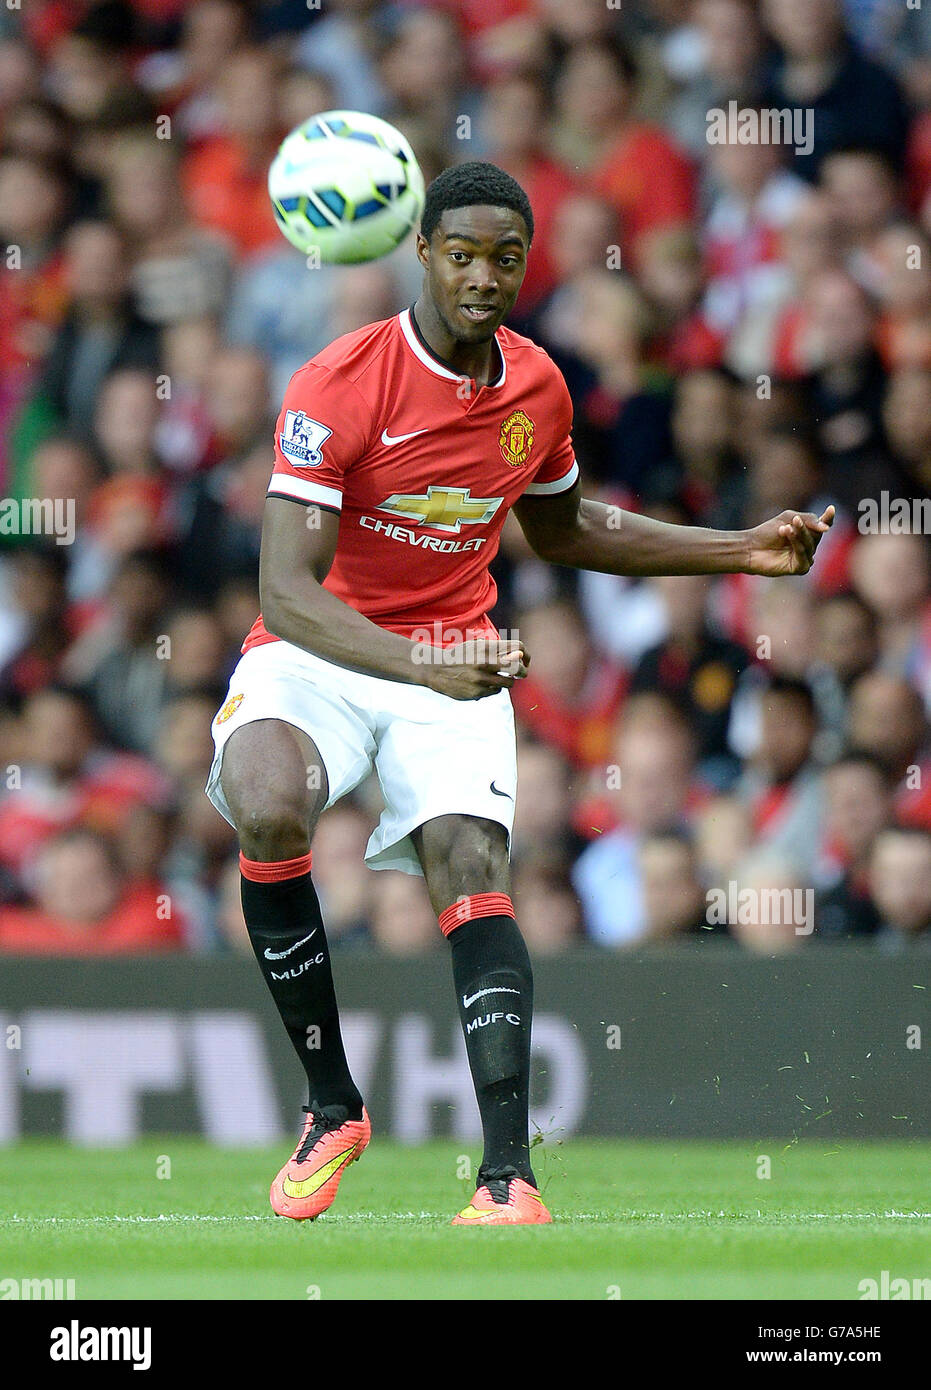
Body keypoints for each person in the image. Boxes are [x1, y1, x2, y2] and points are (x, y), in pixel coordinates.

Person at [204, 161, 834, 1227]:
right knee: (266, 796)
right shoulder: (336, 382)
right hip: (324, 650)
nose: (483, 277)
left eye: (505, 258)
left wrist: (740, 548)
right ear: (422, 255)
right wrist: (420, 664)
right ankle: (330, 1102)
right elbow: (284, 589)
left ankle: (506, 1178)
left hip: (451, 650)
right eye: (462, 255)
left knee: (471, 864)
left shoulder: (536, 387)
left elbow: (566, 528)